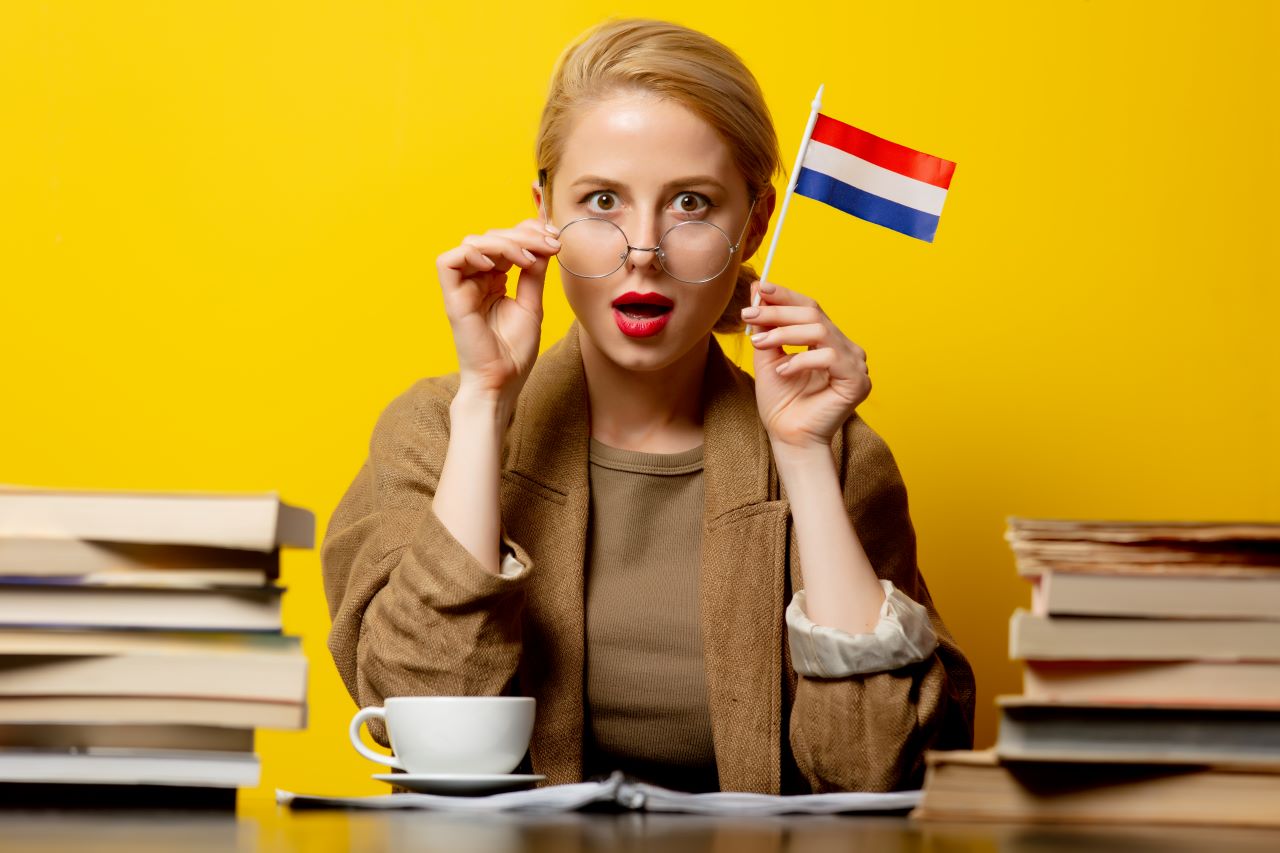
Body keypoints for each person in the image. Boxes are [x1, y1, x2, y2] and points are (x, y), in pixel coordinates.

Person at [322, 17, 975, 794]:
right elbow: (423, 720)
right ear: (543, 214)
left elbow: (881, 771)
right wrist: (485, 403)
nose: (643, 250)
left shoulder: (837, 455)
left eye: (692, 204)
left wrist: (802, 461)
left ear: (754, 224)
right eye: (601, 200)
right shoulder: (436, 429)